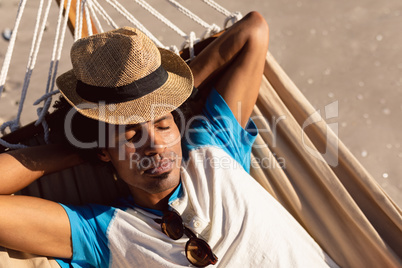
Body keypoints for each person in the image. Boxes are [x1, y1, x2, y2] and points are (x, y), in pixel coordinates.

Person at [0, 12, 338, 267]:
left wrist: (171, 95)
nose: (156, 145)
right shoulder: (101, 232)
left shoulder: (214, 147)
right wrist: (83, 146)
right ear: (104, 152)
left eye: (163, 124)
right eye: (132, 134)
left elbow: (253, 31)